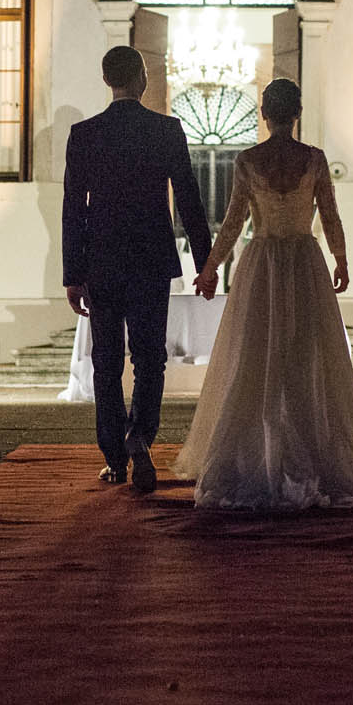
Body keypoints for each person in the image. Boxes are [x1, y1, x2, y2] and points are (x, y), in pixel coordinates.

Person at [177, 79, 353, 511]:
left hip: (264, 264)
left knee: (255, 357)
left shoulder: (248, 160)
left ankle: (258, 456)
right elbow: (329, 214)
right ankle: (314, 453)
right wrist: (341, 260)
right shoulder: (314, 160)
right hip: (305, 263)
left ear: (263, 113)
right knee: (308, 356)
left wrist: (211, 266)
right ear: (297, 114)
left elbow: (234, 222)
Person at [62, 45, 212, 493]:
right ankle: (139, 436)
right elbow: (188, 199)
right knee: (151, 358)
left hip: (102, 261)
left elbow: (74, 208)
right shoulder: (166, 130)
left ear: (107, 80)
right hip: (150, 259)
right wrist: (205, 263)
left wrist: (73, 273)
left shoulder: (85, 133)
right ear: (143, 79)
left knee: (105, 361)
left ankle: (114, 458)